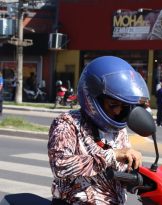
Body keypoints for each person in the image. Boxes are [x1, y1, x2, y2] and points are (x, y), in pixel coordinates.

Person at [47, 56, 149, 205]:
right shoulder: (68, 123)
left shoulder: (118, 128)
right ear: (93, 98)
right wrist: (112, 155)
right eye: (113, 104)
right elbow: (61, 166)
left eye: (124, 106)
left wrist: (140, 178)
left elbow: (118, 171)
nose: (118, 111)